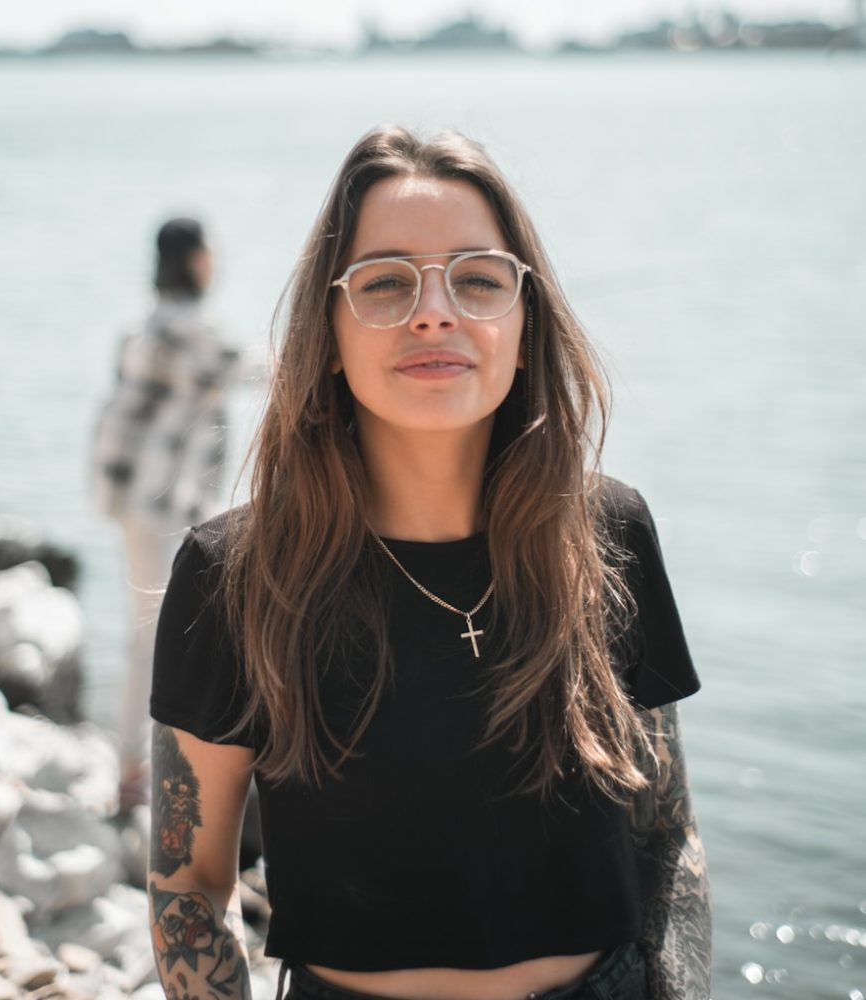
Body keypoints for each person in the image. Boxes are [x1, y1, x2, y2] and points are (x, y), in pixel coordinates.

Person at [147, 127, 712, 1000]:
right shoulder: (234, 577)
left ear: (526, 326)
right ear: (328, 334)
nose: (435, 311)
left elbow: (668, 836)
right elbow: (187, 887)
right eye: (384, 283)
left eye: (480, 279)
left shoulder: (609, 535)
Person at [91, 216, 250, 811]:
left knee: (149, 630)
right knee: (155, 634)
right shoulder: (188, 328)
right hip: (159, 498)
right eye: (213, 251)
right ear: (195, 259)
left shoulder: (146, 322)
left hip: (135, 492)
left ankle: (133, 767)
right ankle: (136, 774)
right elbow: (266, 367)